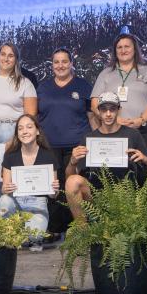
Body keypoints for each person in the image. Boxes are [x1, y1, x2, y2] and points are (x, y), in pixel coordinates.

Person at [65, 92, 147, 220]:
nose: (108, 114)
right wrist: (72, 162)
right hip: (95, 196)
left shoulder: (132, 134)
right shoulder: (89, 138)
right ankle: (83, 231)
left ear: (119, 110)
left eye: (112, 109)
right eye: (104, 109)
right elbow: (69, 179)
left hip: (126, 196)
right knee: (72, 182)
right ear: (98, 111)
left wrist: (146, 160)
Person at [36, 48, 95, 236]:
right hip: (49, 146)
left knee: (72, 185)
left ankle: (79, 229)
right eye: (56, 62)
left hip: (77, 146)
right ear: (52, 65)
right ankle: (54, 229)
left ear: (71, 63)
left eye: (64, 61)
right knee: (53, 187)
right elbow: (36, 116)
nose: (60, 65)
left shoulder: (83, 86)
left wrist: (95, 139)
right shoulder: (43, 88)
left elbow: (92, 116)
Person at [90, 31, 147, 153]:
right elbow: (94, 103)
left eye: (127, 46)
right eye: (119, 47)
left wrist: (141, 120)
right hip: (112, 129)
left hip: (143, 130)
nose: (123, 50)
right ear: (115, 51)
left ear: (135, 49)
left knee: (143, 163)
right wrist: (113, 119)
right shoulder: (105, 74)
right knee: (113, 164)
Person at [0, 114, 60, 252]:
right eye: (20, 128)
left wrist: (54, 189)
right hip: (16, 202)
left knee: (35, 236)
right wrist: (7, 188)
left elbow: (53, 195)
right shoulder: (10, 155)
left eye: (29, 127)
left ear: (37, 131)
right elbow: (4, 189)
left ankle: (27, 234)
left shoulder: (48, 155)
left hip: (37, 205)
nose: (24, 131)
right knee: (4, 201)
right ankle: (12, 235)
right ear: (17, 134)